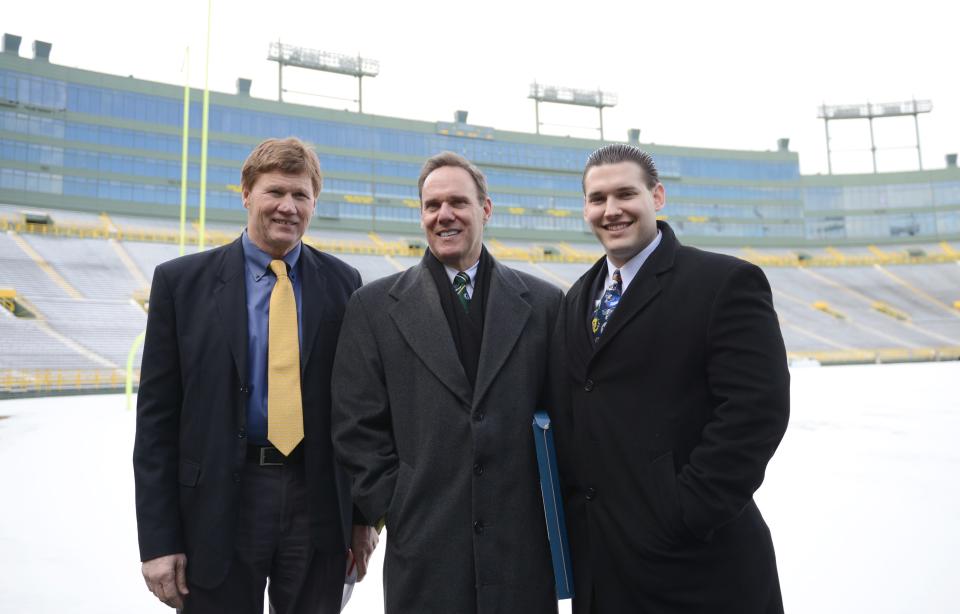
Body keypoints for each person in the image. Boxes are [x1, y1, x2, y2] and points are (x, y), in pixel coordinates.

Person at [133, 137, 378, 613]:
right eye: (276, 192)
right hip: (219, 502)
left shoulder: (344, 283)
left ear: (314, 203)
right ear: (246, 193)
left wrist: (363, 518)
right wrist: (158, 541)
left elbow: (360, 409)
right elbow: (156, 423)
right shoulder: (180, 284)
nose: (288, 207)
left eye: (301, 196)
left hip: (317, 500)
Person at [553, 143, 790, 613]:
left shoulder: (723, 282)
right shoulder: (576, 298)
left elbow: (756, 410)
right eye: (597, 198)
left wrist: (686, 512)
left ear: (656, 196)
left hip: (701, 570)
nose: (611, 210)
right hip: (605, 574)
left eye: (625, 194)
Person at [331, 151, 561, 614]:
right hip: (425, 548)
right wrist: (400, 504)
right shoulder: (372, 308)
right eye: (432, 205)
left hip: (520, 551)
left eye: (458, 202)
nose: (444, 215)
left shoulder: (545, 303)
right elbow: (355, 425)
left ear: (486, 209)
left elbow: (564, 417)